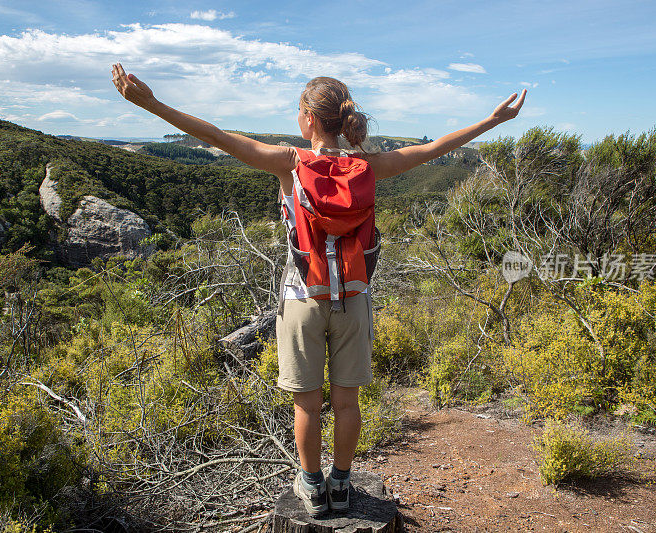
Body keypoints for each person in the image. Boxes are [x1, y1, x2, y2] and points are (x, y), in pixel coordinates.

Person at [111, 63, 526, 517]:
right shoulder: (369, 165)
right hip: (354, 298)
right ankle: (343, 485)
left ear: (309, 118)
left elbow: (216, 136)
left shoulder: (290, 162)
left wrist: (150, 104)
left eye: (298, 110)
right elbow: (431, 149)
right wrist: (492, 121)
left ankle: (311, 486)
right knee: (346, 402)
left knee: (306, 405)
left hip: (303, 298)